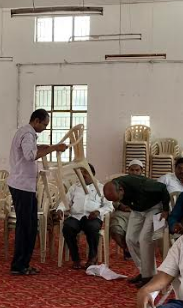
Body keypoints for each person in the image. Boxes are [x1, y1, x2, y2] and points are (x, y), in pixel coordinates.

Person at [8, 109, 68, 276]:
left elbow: (33, 150)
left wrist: (48, 147)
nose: (45, 128)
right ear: (36, 120)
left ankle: (23, 263)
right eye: (44, 124)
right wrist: (53, 148)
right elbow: (30, 155)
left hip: (25, 185)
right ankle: (19, 265)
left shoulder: (27, 132)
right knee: (26, 227)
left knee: (30, 226)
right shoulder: (27, 134)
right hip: (22, 185)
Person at [102, 173, 171, 287]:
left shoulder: (142, 185)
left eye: (118, 199)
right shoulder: (116, 187)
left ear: (121, 189)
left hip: (154, 207)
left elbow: (162, 188)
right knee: (130, 239)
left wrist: (166, 210)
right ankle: (144, 272)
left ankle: (148, 277)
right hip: (137, 209)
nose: (119, 201)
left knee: (144, 239)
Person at [55, 164, 113, 269]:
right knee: (67, 228)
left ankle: (92, 257)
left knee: (92, 228)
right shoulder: (74, 187)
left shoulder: (101, 188)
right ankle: (75, 258)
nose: (82, 175)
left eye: (85, 172)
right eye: (80, 173)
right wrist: (60, 209)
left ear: (92, 174)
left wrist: (98, 211)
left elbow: (109, 206)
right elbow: (65, 201)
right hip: (76, 216)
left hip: (92, 217)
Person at [110, 159, 145, 260]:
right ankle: (127, 249)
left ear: (141, 171)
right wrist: (119, 206)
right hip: (122, 212)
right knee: (115, 229)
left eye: (137, 170)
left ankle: (135, 250)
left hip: (139, 213)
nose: (134, 172)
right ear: (128, 170)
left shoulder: (146, 183)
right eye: (132, 170)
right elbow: (111, 198)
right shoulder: (120, 182)